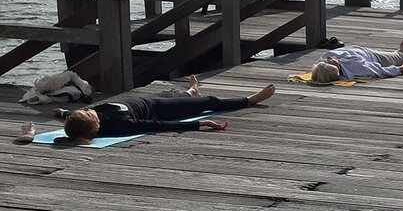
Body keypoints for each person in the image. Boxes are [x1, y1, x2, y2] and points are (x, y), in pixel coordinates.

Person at [51, 76, 275, 145]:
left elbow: (73, 120)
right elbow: (160, 126)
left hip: (147, 99)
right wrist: (199, 124)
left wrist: (63, 113)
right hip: (160, 110)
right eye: (88, 113)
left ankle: (189, 92)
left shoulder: (84, 118)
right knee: (209, 101)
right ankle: (249, 100)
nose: (87, 109)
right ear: (95, 125)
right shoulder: (121, 125)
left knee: (175, 94)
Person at [309, 40, 403, 84]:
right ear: (337, 69)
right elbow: (379, 70)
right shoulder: (357, 68)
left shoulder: (321, 64)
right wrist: (399, 69)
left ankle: (397, 51)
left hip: (359, 50)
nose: (329, 58)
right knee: (400, 57)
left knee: (394, 55)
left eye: (327, 60)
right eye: (331, 62)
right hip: (374, 57)